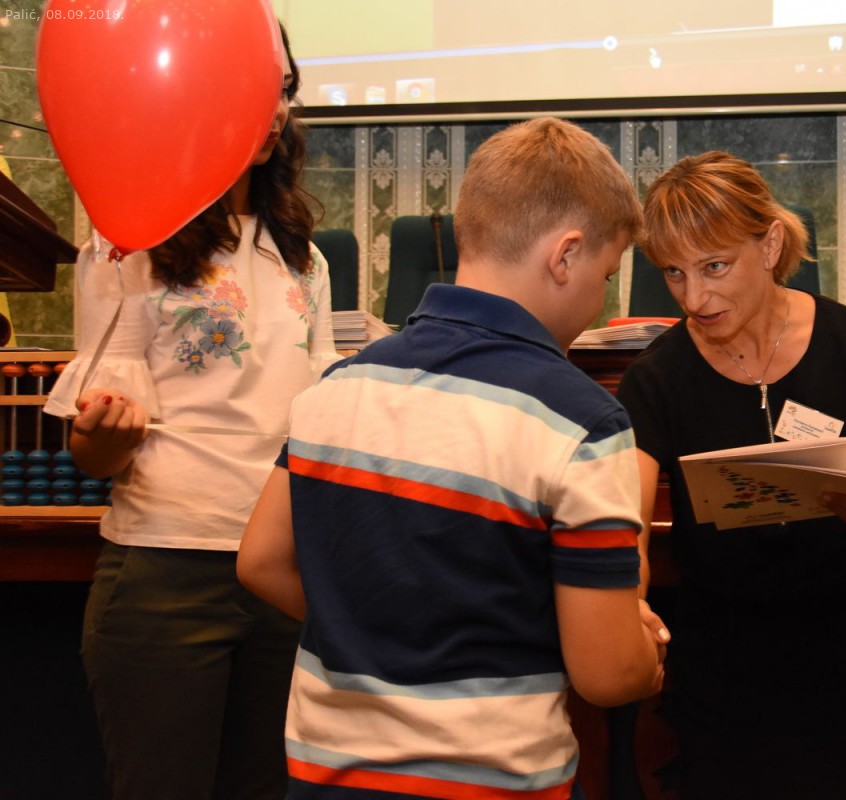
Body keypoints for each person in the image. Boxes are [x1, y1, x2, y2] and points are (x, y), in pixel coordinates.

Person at [237, 117, 668, 800]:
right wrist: (642, 652)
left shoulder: (336, 388)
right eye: (607, 274)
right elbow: (607, 675)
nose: (601, 298)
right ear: (565, 255)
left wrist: (379, 633)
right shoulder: (582, 421)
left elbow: (261, 561)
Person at [42, 26, 339, 800]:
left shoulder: (304, 258)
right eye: (251, 85)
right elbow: (96, 457)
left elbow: (319, 414)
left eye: (281, 89)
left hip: (280, 569)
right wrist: (103, 432)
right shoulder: (128, 246)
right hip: (165, 575)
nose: (271, 109)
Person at [616, 151, 846, 799]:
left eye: (714, 267)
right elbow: (627, 526)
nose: (693, 298)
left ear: (768, 246)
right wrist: (630, 605)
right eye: (674, 273)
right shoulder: (656, 378)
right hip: (721, 671)